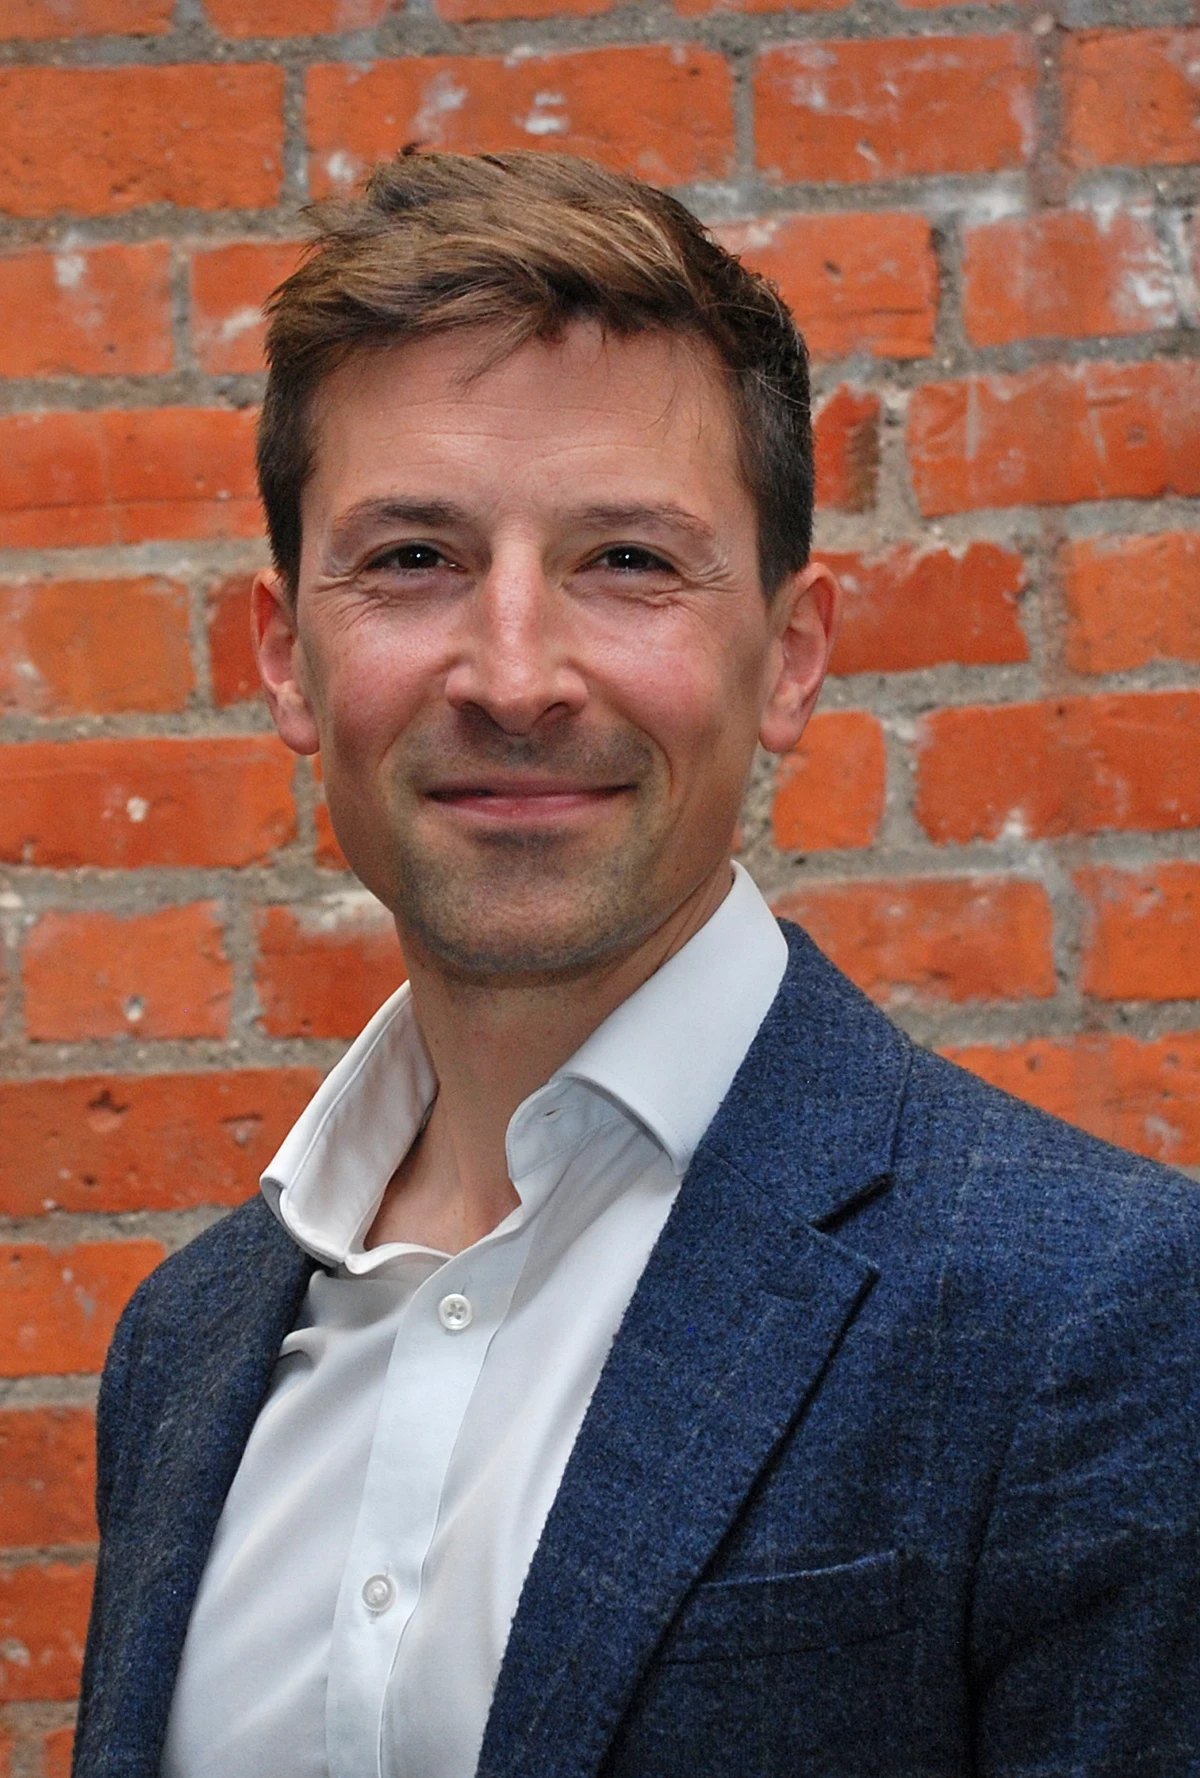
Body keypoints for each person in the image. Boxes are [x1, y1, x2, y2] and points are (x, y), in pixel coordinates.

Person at [74, 150, 1200, 1778]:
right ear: (286, 655)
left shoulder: (1093, 1315)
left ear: (790, 655)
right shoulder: (181, 1352)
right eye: (412, 558)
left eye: (626, 561)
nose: (516, 672)